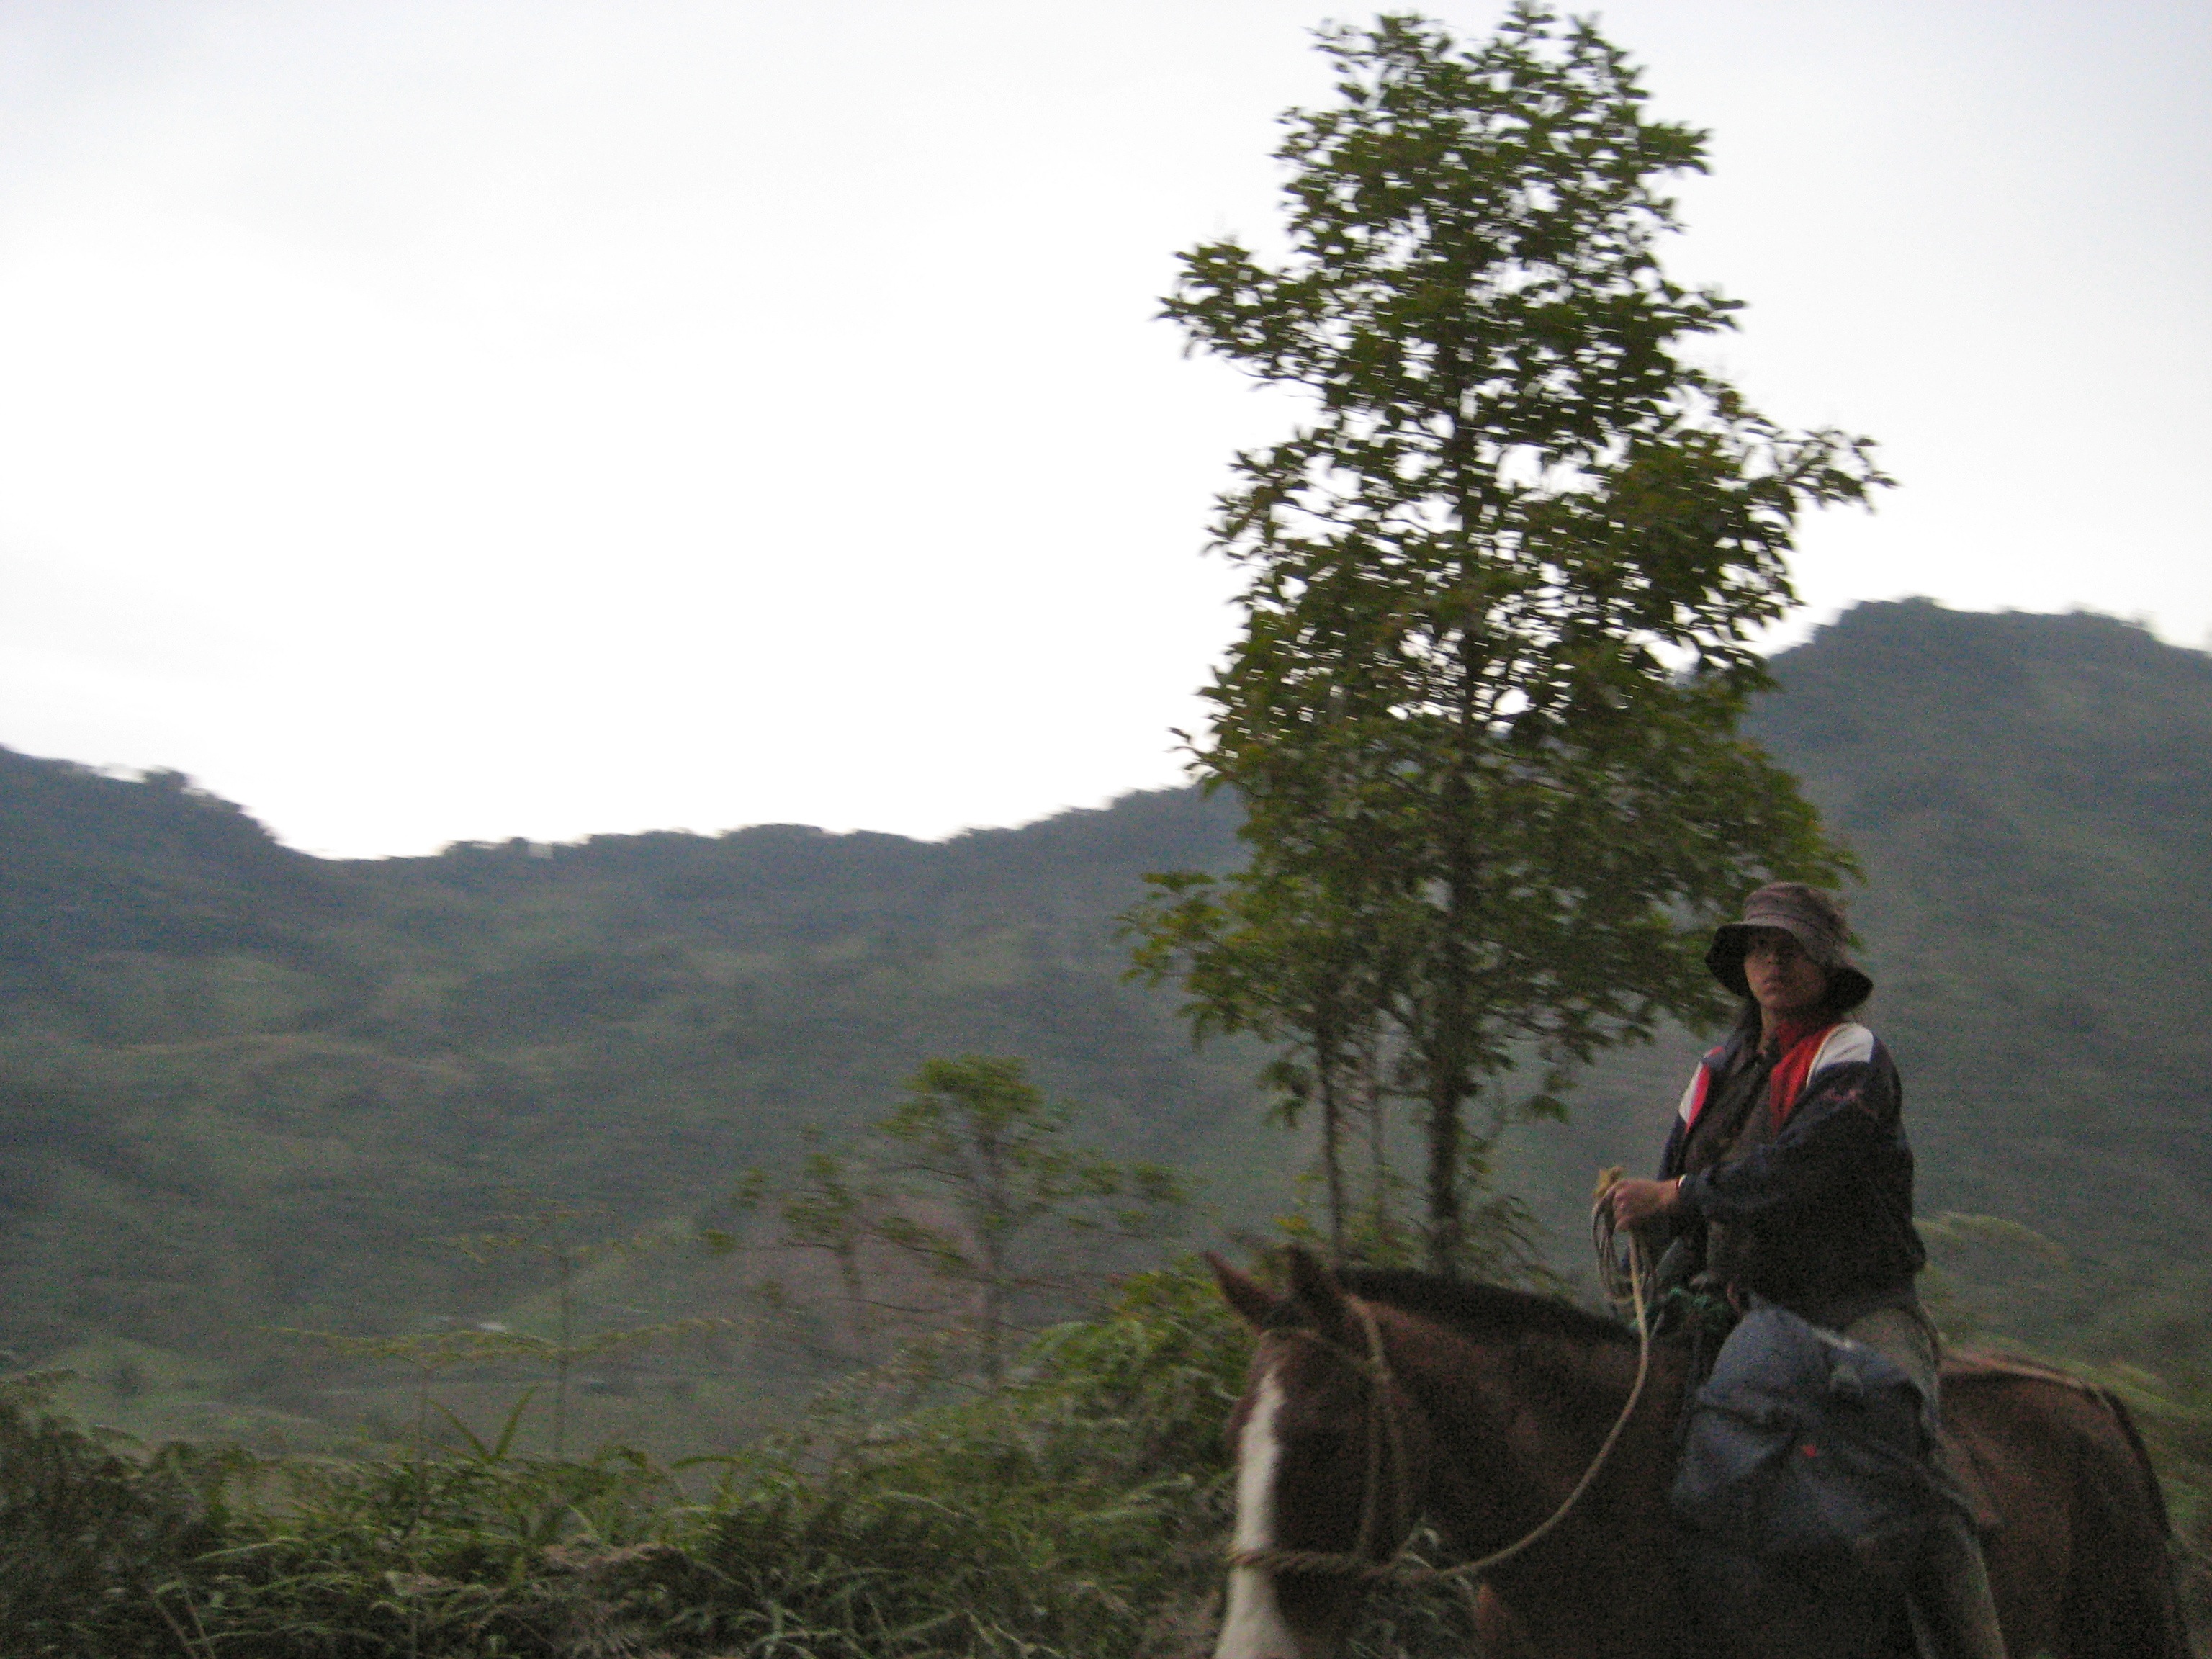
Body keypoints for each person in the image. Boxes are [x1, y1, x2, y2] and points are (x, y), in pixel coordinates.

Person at [1608, 881, 2006, 1659]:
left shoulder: (1853, 1057)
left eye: (1790, 947)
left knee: (1915, 1459)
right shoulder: (1715, 1072)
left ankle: (1972, 1645)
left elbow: (1795, 1171)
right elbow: (1677, 1189)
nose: (1773, 962)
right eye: (1759, 947)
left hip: (1855, 1307)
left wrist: (1678, 1195)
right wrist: (1654, 1235)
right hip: (1738, 1309)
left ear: (1826, 966)